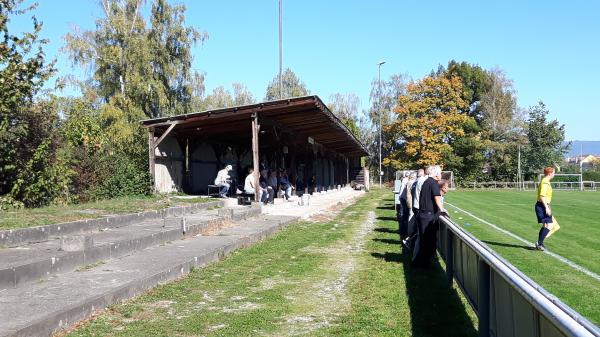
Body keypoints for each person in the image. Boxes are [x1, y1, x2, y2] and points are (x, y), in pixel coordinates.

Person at [412, 165, 446, 267]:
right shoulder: (433, 183)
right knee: (428, 243)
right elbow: (437, 198)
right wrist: (442, 209)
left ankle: (420, 264)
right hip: (427, 216)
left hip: (423, 215)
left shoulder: (426, 182)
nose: (441, 175)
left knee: (424, 242)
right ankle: (421, 265)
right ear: (436, 174)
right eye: (440, 173)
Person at [534, 167, 560, 251]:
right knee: (550, 225)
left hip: (543, 205)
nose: (554, 174)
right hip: (542, 205)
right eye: (553, 173)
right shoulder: (545, 182)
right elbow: (542, 196)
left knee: (547, 225)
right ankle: (539, 243)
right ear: (550, 173)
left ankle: (540, 243)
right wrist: (546, 207)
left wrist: (548, 206)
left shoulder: (546, 181)